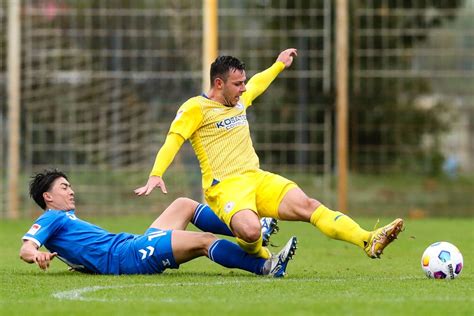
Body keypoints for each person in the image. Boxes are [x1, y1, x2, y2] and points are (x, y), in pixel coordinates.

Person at [135, 48, 403, 260]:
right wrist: (156, 174)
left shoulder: (238, 99)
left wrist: (278, 64)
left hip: (256, 178)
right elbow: (174, 140)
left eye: (243, 83)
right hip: (225, 187)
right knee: (251, 231)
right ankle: (262, 257)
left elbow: (258, 84)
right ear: (219, 83)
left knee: (308, 205)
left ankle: (367, 240)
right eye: (238, 84)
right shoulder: (195, 108)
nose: (243, 89)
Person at [20, 169, 297, 277]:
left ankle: (256, 229)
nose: (71, 191)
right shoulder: (51, 217)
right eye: (64, 187)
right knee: (204, 241)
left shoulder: (64, 219)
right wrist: (37, 255)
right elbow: (26, 248)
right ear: (48, 196)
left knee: (184, 205)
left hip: (132, 245)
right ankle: (266, 266)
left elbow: (82, 254)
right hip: (129, 256)